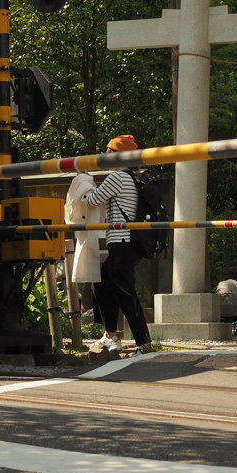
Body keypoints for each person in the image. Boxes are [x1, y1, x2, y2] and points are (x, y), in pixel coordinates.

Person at [83, 135, 153, 355]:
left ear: (117, 155)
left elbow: (92, 200)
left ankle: (143, 342)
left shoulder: (117, 177)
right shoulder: (133, 178)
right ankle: (110, 333)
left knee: (125, 292)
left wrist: (82, 185)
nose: (105, 154)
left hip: (121, 242)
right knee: (102, 282)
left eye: (108, 151)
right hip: (129, 242)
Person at [64, 168, 104, 321]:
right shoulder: (85, 183)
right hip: (89, 229)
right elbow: (92, 199)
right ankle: (99, 322)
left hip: (85, 229)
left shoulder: (80, 183)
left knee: (93, 276)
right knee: (96, 277)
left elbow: (74, 204)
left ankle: (98, 321)